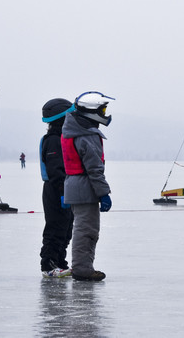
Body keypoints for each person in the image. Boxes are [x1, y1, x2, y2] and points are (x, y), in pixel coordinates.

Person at [62, 91, 114, 282]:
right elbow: (94, 168)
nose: (105, 113)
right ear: (92, 111)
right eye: (103, 109)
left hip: (75, 185)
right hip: (85, 188)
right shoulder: (86, 134)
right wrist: (104, 193)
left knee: (83, 229)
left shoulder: (72, 129)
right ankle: (82, 269)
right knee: (86, 231)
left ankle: (83, 266)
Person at [39, 98, 75, 278]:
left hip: (64, 189)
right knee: (55, 228)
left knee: (66, 229)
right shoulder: (53, 140)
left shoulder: (62, 138)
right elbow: (56, 171)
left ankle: (60, 261)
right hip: (55, 190)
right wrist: (63, 193)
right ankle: (48, 264)